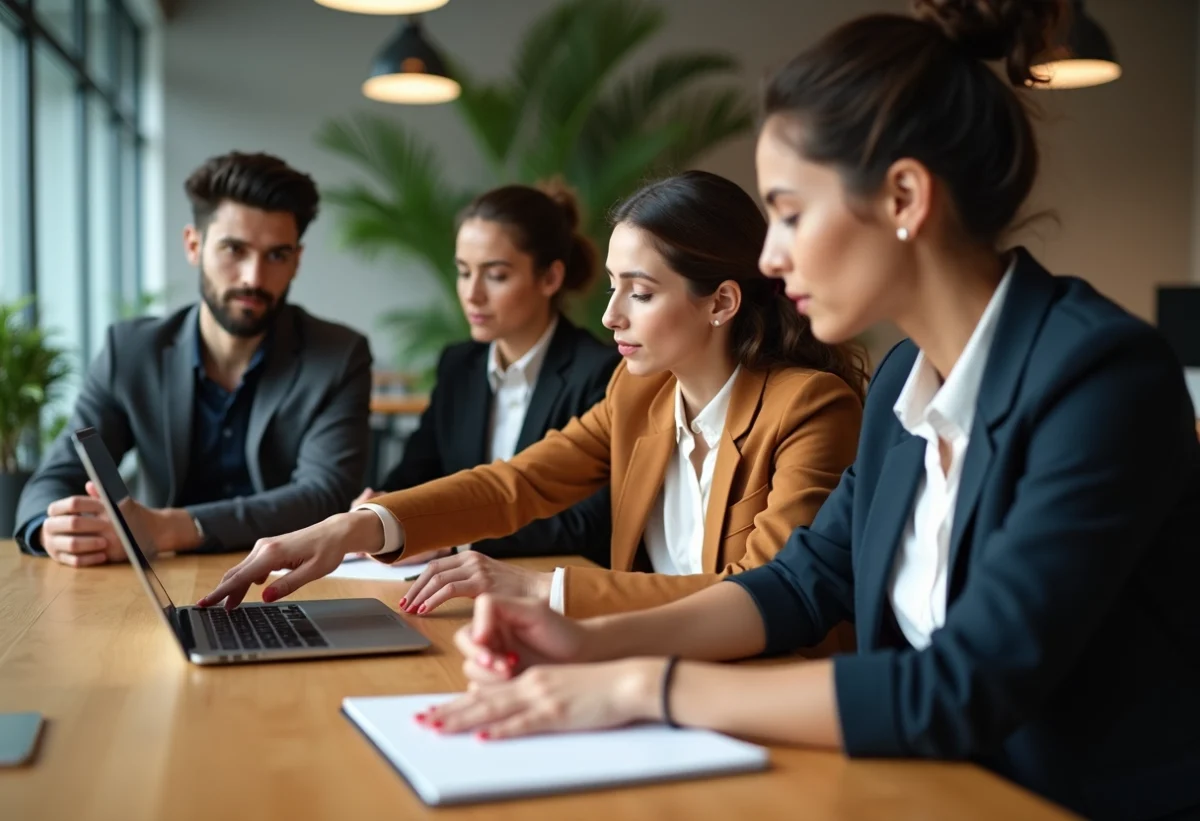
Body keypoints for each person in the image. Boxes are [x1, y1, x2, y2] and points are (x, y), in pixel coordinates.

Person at [394, 4, 1200, 820]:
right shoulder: (900, 385)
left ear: (903, 197)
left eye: (788, 212)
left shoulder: (1098, 378)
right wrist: (585, 643)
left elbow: (964, 685)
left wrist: (644, 685)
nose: (771, 256)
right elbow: (798, 583)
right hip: (909, 787)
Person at [200, 170, 867, 628]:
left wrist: (540, 588)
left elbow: (763, 596)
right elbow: (514, 485)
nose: (610, 317)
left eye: (639, 291)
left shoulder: (809, 407)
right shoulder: (640, 394)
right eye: (611, 286)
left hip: (760, 688)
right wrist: (353, 528)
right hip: (643, 665)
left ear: (722, 300)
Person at [13, 151, 373, 565]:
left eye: (276, 255)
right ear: (193, 244)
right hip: (157, 580)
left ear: (296, 260)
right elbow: (57, 476)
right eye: (234, 250)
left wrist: (166, 527)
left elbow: (323, 495)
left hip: (284, 580)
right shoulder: (130, 351)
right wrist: (52, 528)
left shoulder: (338, 355)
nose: (254, 277)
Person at [352, 184, 619, 568]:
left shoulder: (598, 372)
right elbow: (415, 474)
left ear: (550, 278)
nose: (472, 294)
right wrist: (379, 508)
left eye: (495, 275)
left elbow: (588, 523)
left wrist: (453, 541)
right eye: (463, 272)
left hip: (549, 584)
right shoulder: (459, 364)